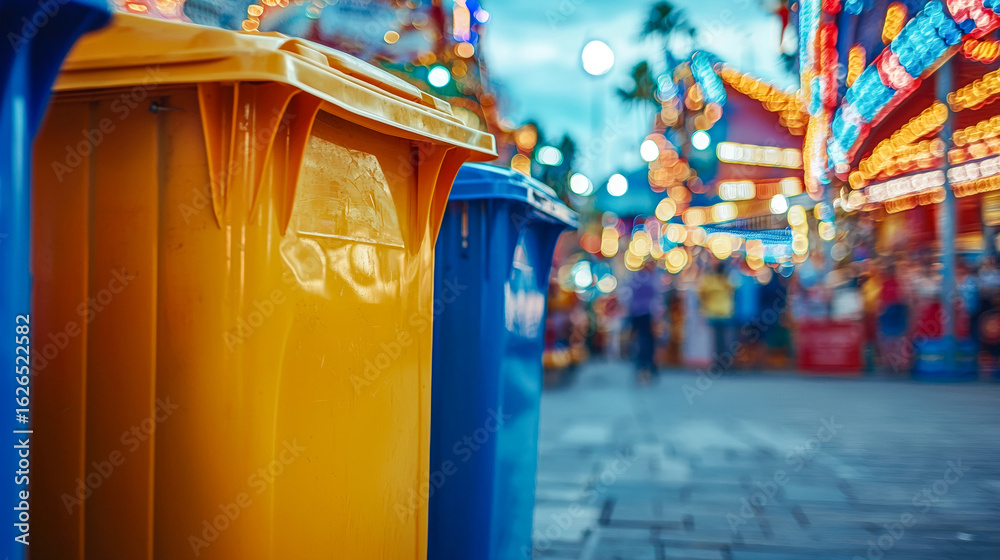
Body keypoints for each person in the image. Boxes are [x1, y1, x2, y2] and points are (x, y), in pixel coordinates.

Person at [626, 260, 660, 383]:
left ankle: (641, 366)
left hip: (637, 315)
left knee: (640, 340)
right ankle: (646, 366)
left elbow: (628, 297)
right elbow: (655, 299)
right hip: (646, 315)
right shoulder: (651, 279)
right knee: (647, 341)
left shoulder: (635, 278)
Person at [699, 260, 735, 367]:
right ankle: (724, 362)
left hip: (714, 313)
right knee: (726, 339)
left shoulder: (709, 280)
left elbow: (701, 294)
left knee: (716, 340)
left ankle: (718, 362)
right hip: (725, 313)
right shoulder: (727, 280)